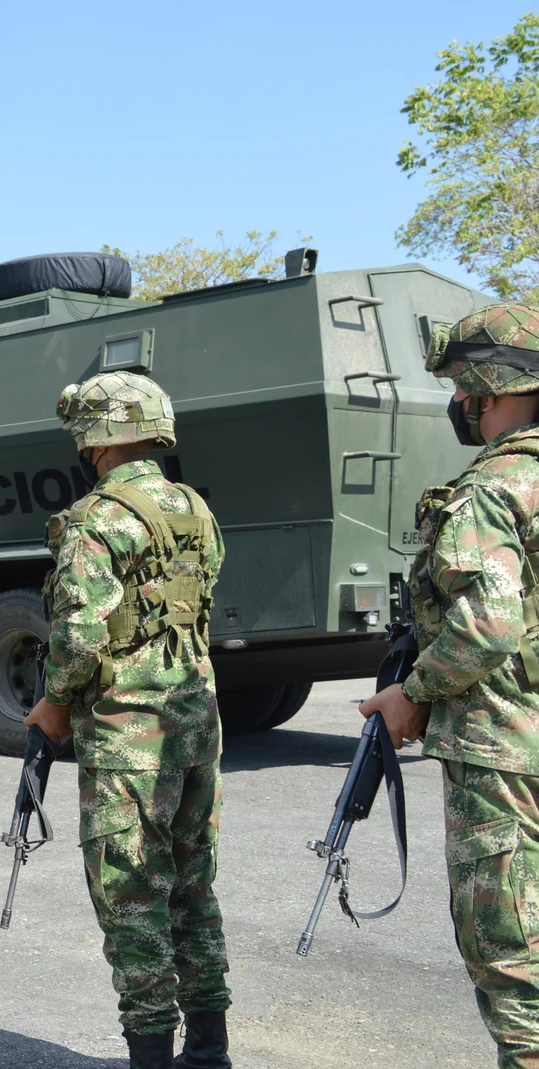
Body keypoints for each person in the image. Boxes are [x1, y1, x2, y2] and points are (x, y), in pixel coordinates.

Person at [21, 371, 230, 1069]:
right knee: (193, 889)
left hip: (127, 732)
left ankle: (151, 1055)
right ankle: (208, 1052)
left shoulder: (95, 518)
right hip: (195, 722)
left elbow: (79, 637)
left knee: (132, 895)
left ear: (97, 439)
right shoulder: (194, 508)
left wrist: (55, 701)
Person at [361, 303, 539, 1069]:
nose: (459, 402)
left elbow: (488, 625)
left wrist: (414, 693)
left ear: (490, 388)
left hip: (505, 749)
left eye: (463, 387)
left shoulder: (493, 488)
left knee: (512, 954)